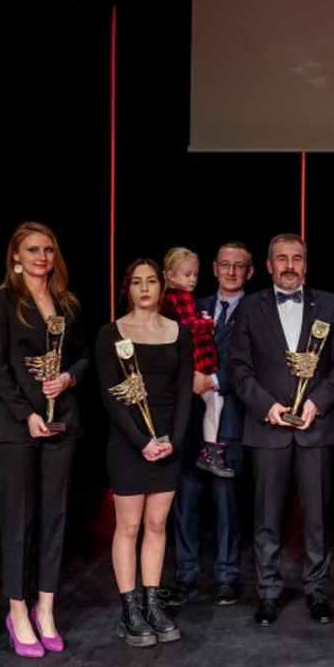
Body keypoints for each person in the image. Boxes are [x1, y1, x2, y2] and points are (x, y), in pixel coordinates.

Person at [229, 233, 334, 626]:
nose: (289, 266)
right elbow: (239, 368)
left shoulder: (328, 304)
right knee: (266, 516)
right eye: (282, 259)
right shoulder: (250, 307)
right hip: (268, 428)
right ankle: (268, 592)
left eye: (297, 258)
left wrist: (319, 402)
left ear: (306, 264)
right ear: (268, 266)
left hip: (317, 426)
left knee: (318, 515)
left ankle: (316, 589)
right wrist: (267, 406)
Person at [0, 221, 89, 658]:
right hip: (16, 426)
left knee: (54, 518)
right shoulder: (3, 300)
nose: (41, 257)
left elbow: (83, 355)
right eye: (32, 250)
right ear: (16, 256)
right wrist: (25, 413)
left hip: (62, 423)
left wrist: (68, 378)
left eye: (47, 249)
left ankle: (45, 609)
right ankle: (17, 612)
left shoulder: (66, 302)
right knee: (18, 520)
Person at [96, 259, 193, 646]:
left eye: (151, 281)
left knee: (156, 524)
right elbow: (110, 396)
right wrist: (142, 442)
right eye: (137, 282)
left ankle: (153, 604)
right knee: (129, 526)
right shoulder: (112, 333)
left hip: (167, 442)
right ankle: (130, 609)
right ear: (128, 288)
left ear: (162, 286)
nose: (144, 288)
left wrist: (174, 441)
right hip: (128, 443)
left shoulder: (178, 332)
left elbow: (184, 392)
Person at [167, 242, 254, 607]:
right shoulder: (189, 303)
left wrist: (213, 381)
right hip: (187, 419)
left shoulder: (257, 310)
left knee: (227, 503)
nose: (231, 272)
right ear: (215, 268)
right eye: (225, 265)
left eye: (239, 266)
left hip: (230, 418)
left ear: (250, 272)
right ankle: (185, 575)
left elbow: (256, 363)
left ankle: (227, 576)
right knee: (185, 500)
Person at [160, 247, 228, 477]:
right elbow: (188, 326)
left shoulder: (168, 297)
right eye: (187, 274)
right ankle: (210, 450)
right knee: (215, 400)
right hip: (195, 359)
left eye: (195, 275)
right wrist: (207, 322)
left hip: (188, 357)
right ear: (171, 276)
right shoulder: (181, 297)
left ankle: (206, 449)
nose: (192, 279)